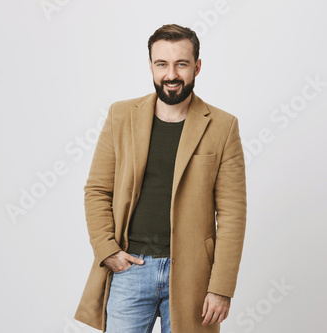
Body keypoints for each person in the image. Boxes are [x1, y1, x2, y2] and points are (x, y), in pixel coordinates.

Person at [74, 24, 247, 333]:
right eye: (161, 64)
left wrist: (221, 287)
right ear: (151, 66)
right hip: (130, 270)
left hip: (193, 275)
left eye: (181, 64)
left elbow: (233, 214)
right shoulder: (121, 115)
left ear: (197, 66)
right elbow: (97, 190)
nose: (171, 74)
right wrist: (107, 250)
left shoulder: (223, 126)